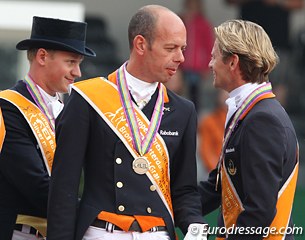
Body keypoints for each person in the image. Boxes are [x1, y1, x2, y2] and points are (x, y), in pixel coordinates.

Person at [47, 5, 208, 240]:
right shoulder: (87, 98)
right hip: (102, 232)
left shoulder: (184, 110)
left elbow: (184, 190)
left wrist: (195, 225)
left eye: (183, 49)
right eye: (171, 48)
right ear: (141, 44)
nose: (181, 58)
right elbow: (64, 187)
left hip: (158, 234)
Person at [198, 20, 299, 239]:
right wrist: (167, 209)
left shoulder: (262, 119)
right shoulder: (250, 112)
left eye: (214, 56)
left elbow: (259, 210)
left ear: (233, 62)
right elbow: (218, 185)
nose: (209, 64)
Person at [0, 16, 95, 240]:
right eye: (71, 62)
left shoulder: (67, 110)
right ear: (42, 56)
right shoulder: (8, 108)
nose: (78, 72)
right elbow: (35, 185)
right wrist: (96, 217)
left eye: (78, 63)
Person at [179, 0, 214, 111]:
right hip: (180, 65)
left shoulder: (203, 24)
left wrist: (207, 66)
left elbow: (209, 46)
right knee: (179, 92)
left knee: (194, 92)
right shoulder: (181, 21)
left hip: (196, 67)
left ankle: (194, 115)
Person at [198, 89, 228, 172]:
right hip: (216, 172)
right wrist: (217, 171)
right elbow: (206, 151)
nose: (227, 96)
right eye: (224, 92)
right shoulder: (208, 122)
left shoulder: (243, 120)